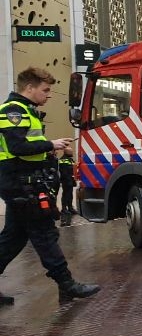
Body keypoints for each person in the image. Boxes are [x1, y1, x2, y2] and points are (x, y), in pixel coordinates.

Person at [0, 67, 100, 304]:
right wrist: (50, 144)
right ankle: (67, 284)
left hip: (22, 182)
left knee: (13, 238)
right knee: (44, 234)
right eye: (45, 90)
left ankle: (66, 285)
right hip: (19, 183)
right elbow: (17, 148)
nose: (49, 95)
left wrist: (49, 151)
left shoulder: (27, 111)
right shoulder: (14, 111)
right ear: (29, 88)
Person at [56, 147, 75, 227]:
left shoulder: (70, 159)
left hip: (70, 179)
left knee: (70, 194)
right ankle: (64, 208)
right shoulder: (63, 160)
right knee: (65, 194)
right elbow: (64, 172)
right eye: (71, 151)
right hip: (66, 180)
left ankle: (70, 207)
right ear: (66, 152)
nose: (72, 152)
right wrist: (68, 180)